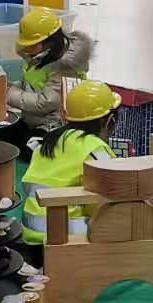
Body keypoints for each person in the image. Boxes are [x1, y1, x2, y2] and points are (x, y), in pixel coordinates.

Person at [20, 80, 121, 245]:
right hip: (62, 236)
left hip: (30, 232)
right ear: (108, 121)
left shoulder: (48, 141)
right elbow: (110, 199)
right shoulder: (94, 149)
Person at [0, 8, 94, 161]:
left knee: (30, 150)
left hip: (56, 123)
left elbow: (46, 102)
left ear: (49, 41)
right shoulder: (37, 57)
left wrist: (9, 95)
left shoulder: (65, 67)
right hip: (34, 117)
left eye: (32, 44)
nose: (26, 48)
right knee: (4, 135)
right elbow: (29, 83)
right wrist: (8, 86)